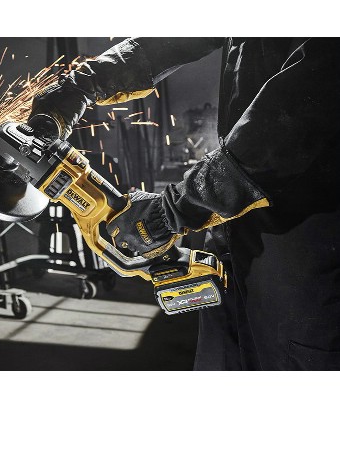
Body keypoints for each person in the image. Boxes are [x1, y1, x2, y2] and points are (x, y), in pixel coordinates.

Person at [28, 38, 340, 370]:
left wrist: (174, 210)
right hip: (234, 240)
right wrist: (84, 83)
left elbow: (301, 112)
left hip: (306, 246)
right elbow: (176, 38)